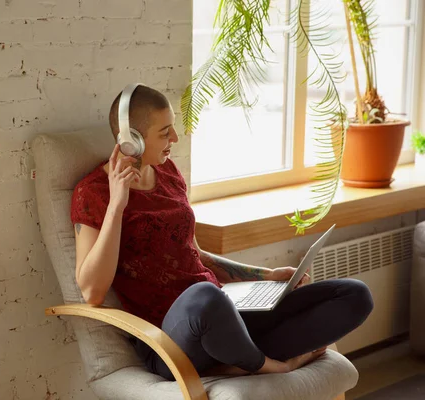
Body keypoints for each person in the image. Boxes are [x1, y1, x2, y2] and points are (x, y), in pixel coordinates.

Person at [70, 85, 374, 380]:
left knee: (353, 295)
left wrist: (264, 276)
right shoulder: (94, 193)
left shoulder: (169, 174)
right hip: (172, 341)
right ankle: (268, 365)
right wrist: (117, 205)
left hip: (225, 317)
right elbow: (92, 292)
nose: (175, 138)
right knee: (205, 296)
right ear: (131, 140)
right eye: (165, 132)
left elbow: (198, 256)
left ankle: (233, 359)